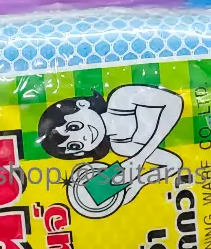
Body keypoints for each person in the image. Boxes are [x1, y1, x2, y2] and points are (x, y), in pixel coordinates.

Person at [37, 85, 184, 206]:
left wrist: (141, 157)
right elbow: (174, 164)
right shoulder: (121, 146)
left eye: (74, 127)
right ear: (81, 153)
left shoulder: (120, 99)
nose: (84, 136)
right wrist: (138, 184)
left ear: (82, 105)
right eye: (75, 145)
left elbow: (174, 102)